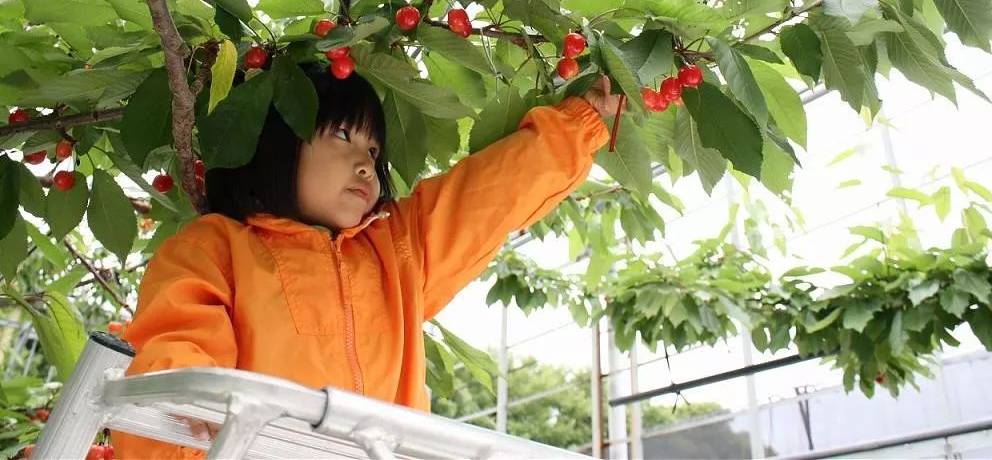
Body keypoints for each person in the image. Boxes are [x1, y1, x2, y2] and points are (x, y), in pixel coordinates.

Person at [112, 62, 619, 458]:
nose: (365, 163)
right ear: (276, 142)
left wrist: (585, 121)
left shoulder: (398, 251)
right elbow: (176, 342)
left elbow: (491, 195)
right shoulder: (214, 246)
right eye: (341, 136)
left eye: (374, 152)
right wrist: (194, 404)